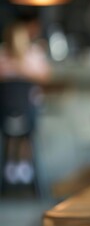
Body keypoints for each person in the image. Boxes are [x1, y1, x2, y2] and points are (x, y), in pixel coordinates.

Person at [0, 17, 51, 191]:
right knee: (28, 122)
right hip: (27, 116)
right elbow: (46, 76)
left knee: (15, 129)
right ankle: (22, 166)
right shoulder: (33, 56)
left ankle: (14, 166)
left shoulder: (3, 57)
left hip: (6, 116)